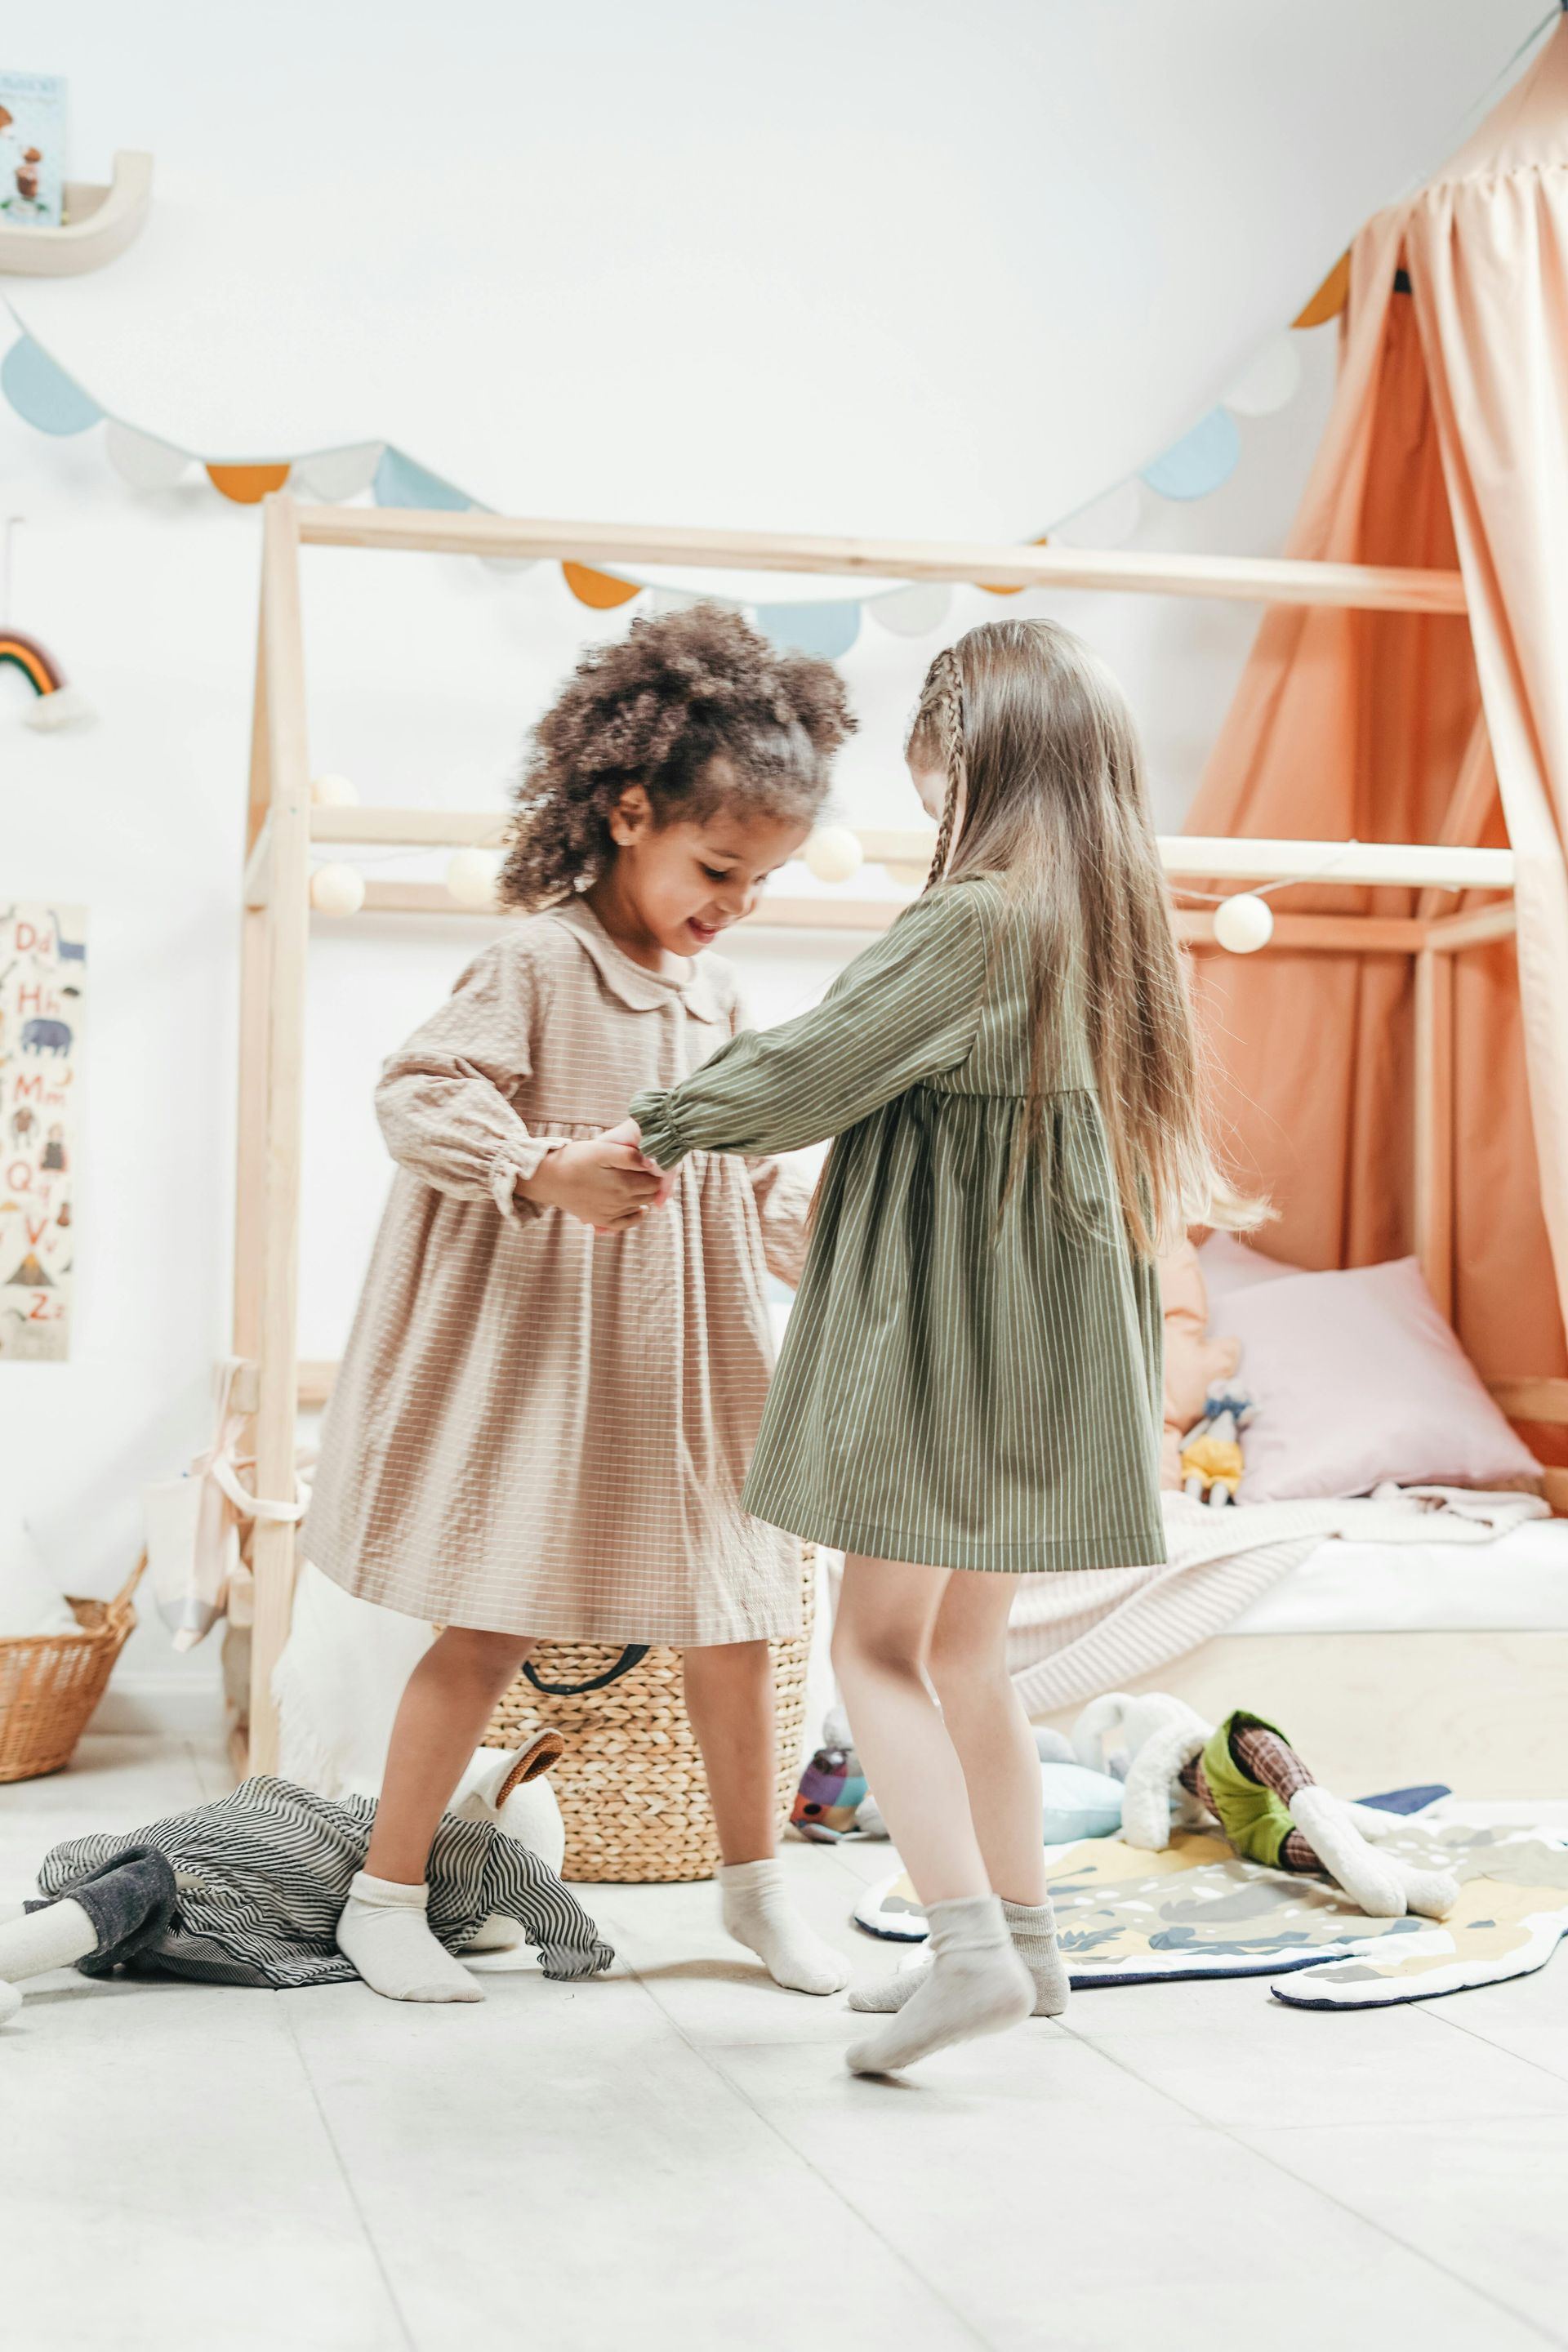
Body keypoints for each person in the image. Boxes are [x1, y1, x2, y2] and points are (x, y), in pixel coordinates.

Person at [621, 617, 1224, 2075]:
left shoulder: (980, 921)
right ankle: (1027, 1943)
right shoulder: (1113, 929)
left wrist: (650, 1127)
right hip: (1048, 1347)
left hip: (950, 1343)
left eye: (933, 782)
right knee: (973, 1652)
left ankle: (964, 1950)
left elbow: (815, 1064)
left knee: (875, 1645)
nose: (930, 813)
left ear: (976, 761)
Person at [303, 606, 856, 2006]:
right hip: (553, 1364)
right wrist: (544, 1166)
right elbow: (418, 1095)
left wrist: (852, 1242)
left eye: (761, 881)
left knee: (738, 1625)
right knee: (486, 1627)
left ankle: (755, 1894)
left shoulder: (718, 996)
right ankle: (387, 1894)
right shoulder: (541, 964)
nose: (733, 903)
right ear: (626, 813)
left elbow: (747, 1176)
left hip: (688, 1368)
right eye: (717, 867)